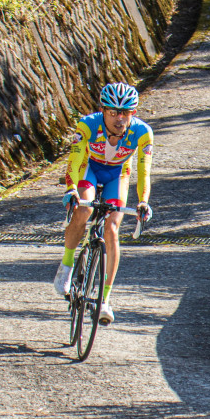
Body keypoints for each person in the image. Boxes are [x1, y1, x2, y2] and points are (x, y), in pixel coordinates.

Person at [52, 82, 153, 326]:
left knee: (112, 229)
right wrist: (71, 189)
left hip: (118, 174)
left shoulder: (143, 133)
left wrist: (143, 202)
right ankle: (66, 266)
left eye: (125, 113)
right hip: (90, 170)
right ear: (103, 110)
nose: (119, 119)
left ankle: (105, 299)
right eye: (113, 112)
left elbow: (144, 171)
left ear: (133, 113)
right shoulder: (87, 125)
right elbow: (75, 159)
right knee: (84, 208)